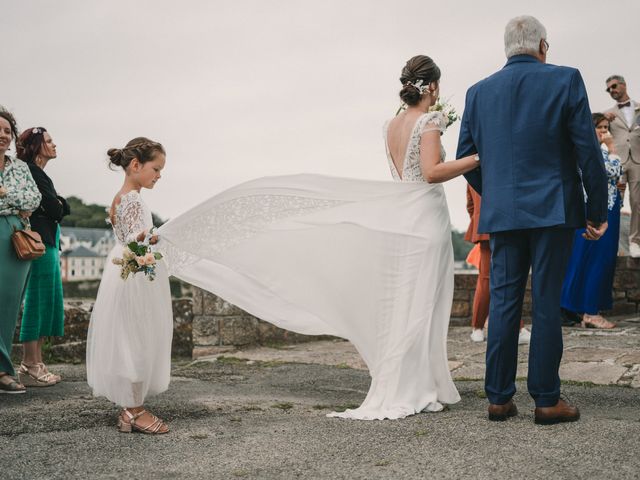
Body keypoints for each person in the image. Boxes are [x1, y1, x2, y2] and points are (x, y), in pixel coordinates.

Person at [158, 55, 479, 420]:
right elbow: (433, 172)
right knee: (425, 302)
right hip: (425, 218)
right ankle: (420, 384)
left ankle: (410, 381)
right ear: (432, 87)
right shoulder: (430, 120)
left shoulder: (390, 125)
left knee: (407, 302)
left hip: (403, 219)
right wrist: (477, 159)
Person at [457, 15, 608, 425]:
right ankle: (546, 399)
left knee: (504, 302)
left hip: (503, 214)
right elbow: (588, 153)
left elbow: (467, 159)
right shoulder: (566, 80)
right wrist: (597, 211)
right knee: (544, 303)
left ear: (506, 48)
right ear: (543, 46)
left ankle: (498, 399)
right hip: (553, 211)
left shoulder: (478, 92)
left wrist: (499, 193)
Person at [86, 137, 172, 434]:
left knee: (128, 336)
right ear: (136, 165)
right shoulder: (134, 199)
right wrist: (155, 237)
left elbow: (128, 237)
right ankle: (134, 410)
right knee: (138, 337)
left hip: (122, 269)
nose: (159, 175)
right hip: (135, 273)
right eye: (156, 169)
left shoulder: (120, 196)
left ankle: (129, 408)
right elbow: (138, 239)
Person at [17, 127, 70, 387]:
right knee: (37, 301)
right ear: (37, 147)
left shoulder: (38, 173)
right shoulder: (33, 172)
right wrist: (59, 205)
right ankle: (30, 364)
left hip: (46, 241)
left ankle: (35, 362)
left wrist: (58, 204)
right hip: (39, 243)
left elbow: (55, 206)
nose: (54, 144)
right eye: (49, 141)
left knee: (46, 301)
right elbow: (54, 208)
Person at [561, 113, 622, 329]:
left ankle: (586, 309)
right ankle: (590, 312)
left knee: (602, 259)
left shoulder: (596, 151)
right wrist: (613, 148)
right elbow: (613, 171)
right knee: (596, 259)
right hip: (596, 210)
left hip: (610, 206)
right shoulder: (586, 151)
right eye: (600, 127)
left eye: (607, 127)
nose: (604, 131)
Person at [0, 109, 42, 394]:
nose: (3, 135)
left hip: (13, 237)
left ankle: (3, 371)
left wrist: (3, 194)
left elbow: (34, 199)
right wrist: (15, 201)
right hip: (13, 220)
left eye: (7, 131)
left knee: (7, 305)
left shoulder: (19, 167)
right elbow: (23, 200)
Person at [464, 185, 530, 344]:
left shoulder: (473, 165)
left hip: (487, 224)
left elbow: (470, 205)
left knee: (489, 278)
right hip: (503, 223)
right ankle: (485, 327)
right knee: (501, 277)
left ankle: (479, 327)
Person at [604, 75, 640, 256]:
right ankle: (612, 241)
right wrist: (604, 118)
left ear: (624, 85)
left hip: (637, 161)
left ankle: (635, 242)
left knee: (637, 202)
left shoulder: (638, 108)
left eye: (614, 86)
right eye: (608, 89)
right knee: (614, 201)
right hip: (618, 162)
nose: (611, 91)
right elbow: (596, 129)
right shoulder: (609, 114)